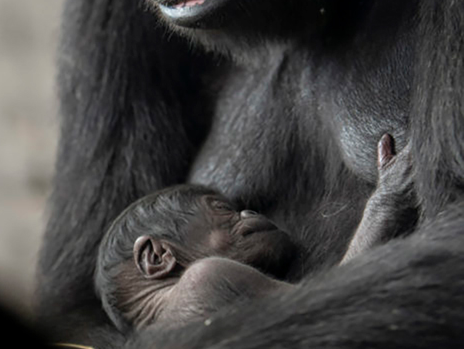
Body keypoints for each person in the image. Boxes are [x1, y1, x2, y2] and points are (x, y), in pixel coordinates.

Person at [95, 135, 416, 333]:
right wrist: (387, 202)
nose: (248, 214)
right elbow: (332, 307)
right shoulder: (202, 281)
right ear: (157, 257)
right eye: (223, 212)